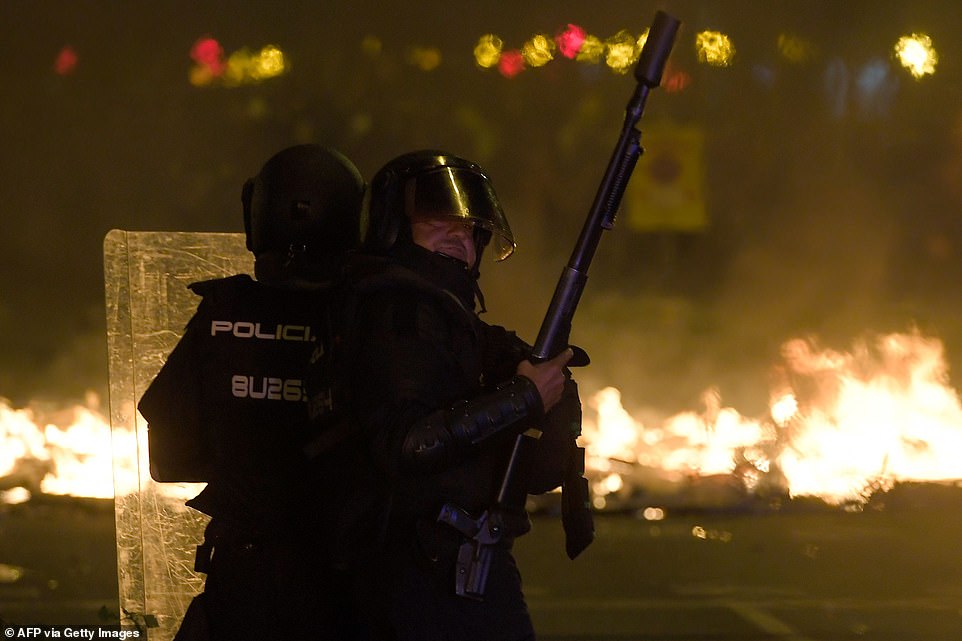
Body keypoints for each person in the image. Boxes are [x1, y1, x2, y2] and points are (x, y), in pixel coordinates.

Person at [315, 150, 588, 641]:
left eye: (468, 229)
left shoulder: (456, 326)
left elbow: (540, 473)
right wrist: (524, 398)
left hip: (458, 570)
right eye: (438, 221)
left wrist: (548, 396)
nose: (458, 236)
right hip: (413, 577)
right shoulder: (395, 312)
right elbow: (408, 443)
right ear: (395, 228)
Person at [137, 144, 367, 641]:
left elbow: (169, 459)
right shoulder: (367, 319)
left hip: (242, 576)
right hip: (343, 578)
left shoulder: (221, 313)